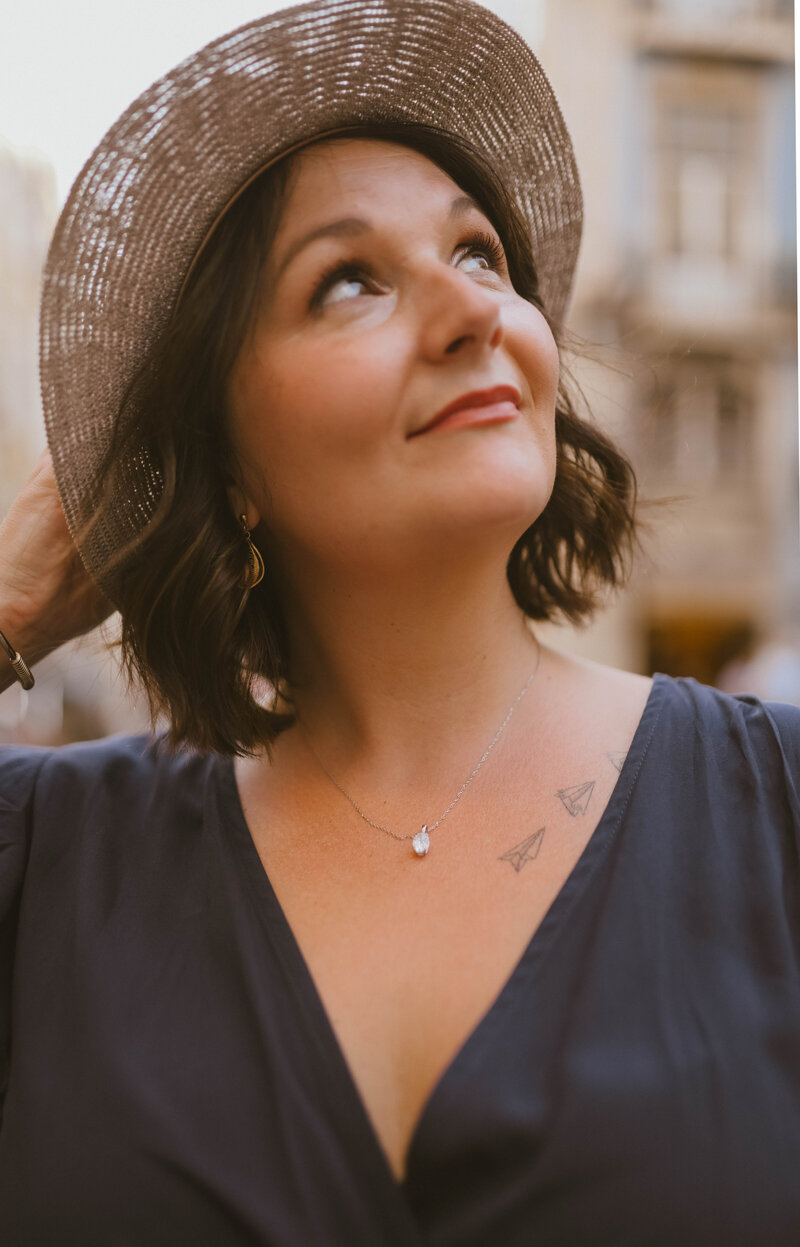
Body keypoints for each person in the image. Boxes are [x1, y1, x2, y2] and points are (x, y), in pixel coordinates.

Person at [0, 1, 798, 1242]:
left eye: (479, 253)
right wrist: (8, 603)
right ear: (224, 453)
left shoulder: (773, 806)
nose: (472, 310)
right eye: (348, 280)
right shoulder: (53, 858)